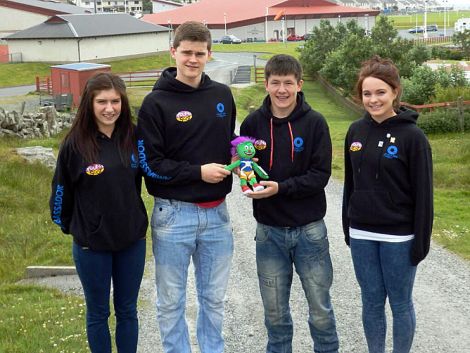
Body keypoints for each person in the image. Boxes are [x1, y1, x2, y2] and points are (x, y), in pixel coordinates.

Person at [136, 21, 236, 353]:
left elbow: (232, 146)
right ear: (173, 52)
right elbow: (151, 166)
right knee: (170, 301)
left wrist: (245, 161)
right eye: (186, 52)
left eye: (199, 53)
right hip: (173, 216)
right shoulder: (155, 103)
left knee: (213, 299)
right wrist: (198, 173)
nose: (192, 59)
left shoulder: (222, 95)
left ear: (209, 54)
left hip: (218, 217)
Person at [240, 54, 339, 353]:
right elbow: (245, 166)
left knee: (320, 310)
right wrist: (244, 176)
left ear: (299, 84)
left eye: (287, 83)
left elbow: (320, 176)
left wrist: (280, 189)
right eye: (275, 83)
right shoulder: (252, 123)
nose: (281, 90)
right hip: (268, 233)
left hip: (310, 231)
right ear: (266, 84)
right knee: (274, 314)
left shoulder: (315, 123)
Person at [49, 72, 148, 353]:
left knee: (128, 311)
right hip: (92, 246)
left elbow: (152, 173)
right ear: (89, 104)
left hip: (131, 242)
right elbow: (60, 193)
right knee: (98, 313)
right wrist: (73, 228)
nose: (109, 108)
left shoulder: (133, 136)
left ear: (123, 102)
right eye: (102, 101)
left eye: (115, 101)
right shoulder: (75, 145)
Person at [342, 56, 433, 353]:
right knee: (370, 301)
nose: (373, 99)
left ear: (395, 91)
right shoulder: (355, 132)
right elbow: (350, 185)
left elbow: (424, 195)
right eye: (367, 93)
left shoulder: (413, 137)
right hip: (362, 235)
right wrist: (348, 226)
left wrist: (421, 241)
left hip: (399, 237)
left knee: (400, 302)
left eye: (380, 92)